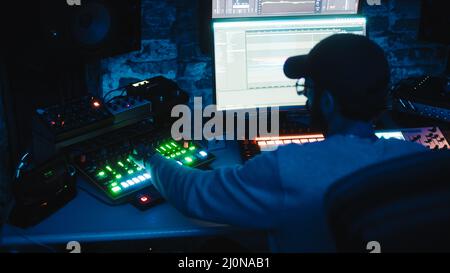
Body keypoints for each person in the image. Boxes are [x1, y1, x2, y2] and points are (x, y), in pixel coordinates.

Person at [131, 34, 425, 252]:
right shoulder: (419, 161)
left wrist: (151, 159)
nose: (307, 99)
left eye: (308, 90)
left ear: (327, 101)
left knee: (214, 251)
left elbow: (193, 194)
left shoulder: (288, 168)